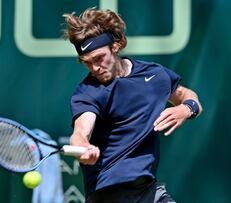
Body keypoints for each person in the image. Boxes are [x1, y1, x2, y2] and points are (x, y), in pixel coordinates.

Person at [62, 7, 202, 203]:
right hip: (108, 195)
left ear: (116, 46)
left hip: (148, 190)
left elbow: (188, 95)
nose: (95, 68)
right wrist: (83, 147)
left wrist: (187, 108)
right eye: (87, 62)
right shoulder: (87, 92)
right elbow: (80, 132)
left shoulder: (154, 75)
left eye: (99, 58)